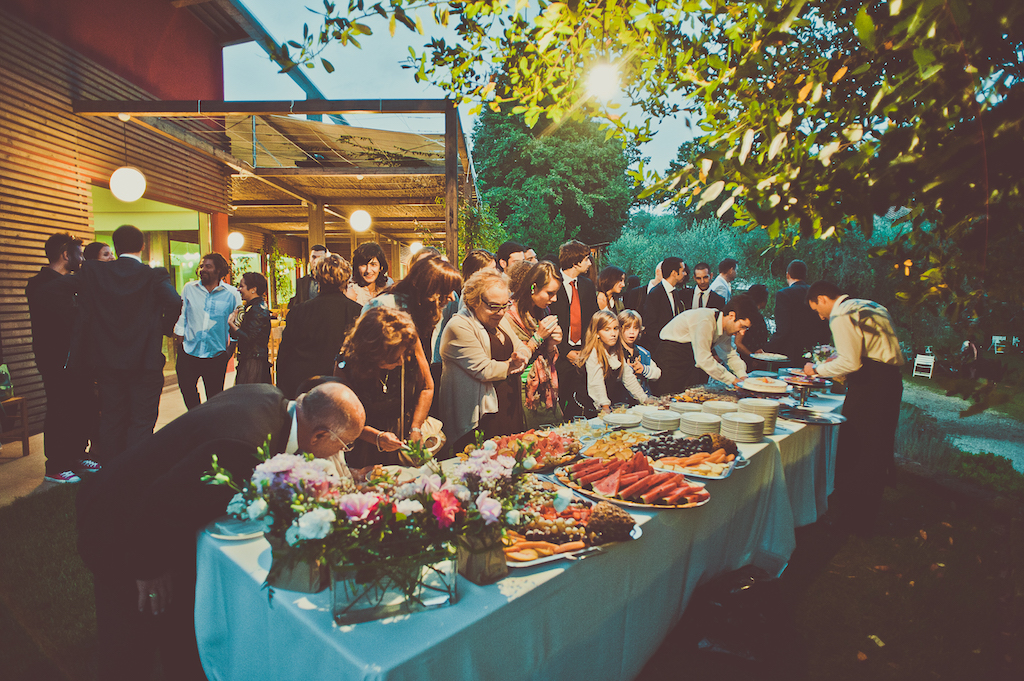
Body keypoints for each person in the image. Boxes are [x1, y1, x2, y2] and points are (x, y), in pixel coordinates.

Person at [76, 382, 365, 681]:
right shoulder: (244, 445)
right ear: (319, 435)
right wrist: (148, 566)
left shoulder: (269, 396)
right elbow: (162, 502)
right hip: (120, 522)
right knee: (130, 636)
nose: (344, 452)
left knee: (172, 620)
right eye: (346, 444)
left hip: (147, 503)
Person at [72, 225, 182, 463]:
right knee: (141, 419)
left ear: (116, 247)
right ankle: (135, 469)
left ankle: (110, 469)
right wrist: (164, 328)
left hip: (108, 360)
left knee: (112, 416)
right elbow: (174, 301)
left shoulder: (95, 272)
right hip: (145, 360)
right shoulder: (153, 275)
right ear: (142, 246)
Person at [804, 281, 905, 535]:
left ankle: (851, 520)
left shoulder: (841, 313)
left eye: (817, 309)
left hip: (871, 385)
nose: (820, 315)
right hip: (890, 382)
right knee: (877, 448)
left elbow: (851, 362)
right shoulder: (869, 305)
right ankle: (865, 517)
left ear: (823, 298)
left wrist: (817, 370)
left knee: (857, 446)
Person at [26, 233, 99, 483]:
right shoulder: (39, 284)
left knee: (82, 407)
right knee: (61, 410)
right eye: (79, 253)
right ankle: (55, 466)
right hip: (56, 360)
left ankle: (76, 456)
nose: (82, 258)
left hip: (80, 359)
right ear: (66, 255)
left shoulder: (72, 284)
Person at [439, 270, 529, 452]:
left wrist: (522, 355)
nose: (501, 312)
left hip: (507, 406)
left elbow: (522, 346)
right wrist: (513, 364)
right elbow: (484, 370)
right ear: (474, 300)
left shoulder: (500, 319)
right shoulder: (459, 325)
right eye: (494, 306)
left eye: (505, 305)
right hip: (481, 416)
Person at [334, 307, 433, 468]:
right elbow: (342, 416)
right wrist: (376, 437)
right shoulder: (346, 363)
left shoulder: (407, 342)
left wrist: (416, 427)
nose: (401, 361)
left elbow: (427, 387)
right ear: (373, 353)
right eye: (393, 358)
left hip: (405, 428)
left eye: (404, 355)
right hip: (363, 438)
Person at [276, 254, 362, 398]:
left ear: (317, 278)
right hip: (339, 385)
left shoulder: (298, 311)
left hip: (301, 383)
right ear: (347, 280)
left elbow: (285, 353)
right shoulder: (357, 311)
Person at [173, 253, 241, 410]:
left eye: (208, 266)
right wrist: (179, 342)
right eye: (201, 266)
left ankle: (211, 428)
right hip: (189, 352)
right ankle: (196, 419)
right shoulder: (189, 289)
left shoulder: (232, 294)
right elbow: (182, 315)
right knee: (187, 390)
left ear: (218, 270)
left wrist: (230, 349)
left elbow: (238, 322)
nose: (203, 269)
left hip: (216, 354)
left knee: (215, 399)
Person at [363, 255, 463, 362]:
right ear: (430, 289)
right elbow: (366, 352)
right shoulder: (383, 305)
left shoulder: (430, 310)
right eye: (447, 290)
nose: (452, 297)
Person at [654, 294, 757, 395]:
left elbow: (729, 355)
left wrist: (743, 377)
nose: (742, 333)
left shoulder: (727, 329)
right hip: (670, 359)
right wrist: (733, 380)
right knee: (666, 402)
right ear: (731, 316)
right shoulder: (706, 320)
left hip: (689, 362)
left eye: (746, 328)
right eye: (742, 326)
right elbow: (703, 360)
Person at [506, 261, 564, 428]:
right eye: (550, 293)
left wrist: (552, 344)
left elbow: (547, 356)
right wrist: (539, 337)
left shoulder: (543, 311)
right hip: (521, 391)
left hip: (545, 388)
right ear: (533, 288)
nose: (555, 299)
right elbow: (513, 361)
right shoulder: (509, 315)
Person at [549, 240, 598, 418]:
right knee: (558, 403)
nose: (589, 263)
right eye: (586, 259)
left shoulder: (587, 285)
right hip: (559, 356)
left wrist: (586, 351)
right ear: (576, 262)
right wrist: (566, 352)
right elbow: (550, 321)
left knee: (579, 404)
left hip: (583, 355)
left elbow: (592, 320)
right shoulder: (553, 284)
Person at [578, 310, 652, 414]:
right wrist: (605, 405)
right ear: (597, 333)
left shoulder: (616, 351)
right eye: (607, 329)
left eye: (615, 328)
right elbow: (596, 383)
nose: (613, 334)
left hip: (605, 406)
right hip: (586, 408)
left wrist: (644, 399)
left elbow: (628, 377)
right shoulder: (593, 353)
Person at [765, 259, 830, 364]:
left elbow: (783, 329)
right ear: (805, 275)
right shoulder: (816, 294)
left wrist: (767, 349)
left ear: (788, 275)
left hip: (789, 351)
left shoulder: (784, 294)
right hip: (814, 351)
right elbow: (825, 324)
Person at [229, 272, 272, 385]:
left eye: (242, 286)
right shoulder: (251, 307)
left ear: (253, 289)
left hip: (253, 362)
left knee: (248, 397)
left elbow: (249, 338)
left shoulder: (258, 309)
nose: (239, 289)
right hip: (249, 359)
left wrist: (232, 326)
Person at [642, 256, 688, 356]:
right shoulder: (655, 294)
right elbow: (650, 325)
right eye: (683, 270)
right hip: (661, 352)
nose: (685, 273)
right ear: (674, 273)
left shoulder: (675, 293)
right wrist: (662, 348)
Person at [618, 309, 661, 397]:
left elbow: (657, 373)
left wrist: (643, 369)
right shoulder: (615, 353)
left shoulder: (643, 352)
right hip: (622, 401)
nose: (632, 332)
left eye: (635, 328)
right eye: (627, 328)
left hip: (643, 401)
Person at [346, 241, 393, 306]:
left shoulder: (389, 284)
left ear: (381, 267)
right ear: (357, 267)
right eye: (363, 265)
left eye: (373, 264)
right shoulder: (352, 292)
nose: (368, 270)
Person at [734, 284, 770, 364]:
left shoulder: (757, 315)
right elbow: (738, 343)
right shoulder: (747, 316)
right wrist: (752, 356)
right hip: (747, 359)